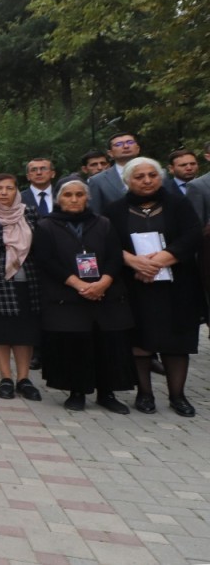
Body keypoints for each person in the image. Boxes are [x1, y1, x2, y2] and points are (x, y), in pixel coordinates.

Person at [104, 157, 205, 416]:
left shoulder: (178, 204)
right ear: (127, 181)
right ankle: (145, 394)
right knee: (140, 341)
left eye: (152, 175)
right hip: (135, 285)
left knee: (177, 341)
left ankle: (177, 396)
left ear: (161, 177)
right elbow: (107, 243)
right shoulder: (114, 210)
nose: (147, 180)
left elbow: (192, 236)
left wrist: (158, 261)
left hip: (177, 285)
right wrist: (133, 262)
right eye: (139, 177)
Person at [32, 180, 135, 413]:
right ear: (59, 199)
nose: (74, 199)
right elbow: (46, 261)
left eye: (79, 194)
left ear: (87, 198)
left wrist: (104, 282)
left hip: (105, 294)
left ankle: (106, 393)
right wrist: (79, 285)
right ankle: (77, 391)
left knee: (108, 345)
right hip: (66, 296)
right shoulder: (46, 225)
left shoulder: (103, 223)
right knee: (75, 346)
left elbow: (114, 256)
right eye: (68, 195)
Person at [0, 174, 42, 401]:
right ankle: (5, 377)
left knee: (25, 333)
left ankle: (23, 378)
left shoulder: (29, 213)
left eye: (10, 188)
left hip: (28, 281)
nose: (4, 193)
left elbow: (41, 247)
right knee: (0, 332)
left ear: (17, 191)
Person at [89, 132, 143, 213]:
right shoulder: (97, 181)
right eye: (118, 144)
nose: (126, 146)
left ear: (138, 148)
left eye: (130, 142)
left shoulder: (158, 174)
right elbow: (95, 213)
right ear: (110, 153)